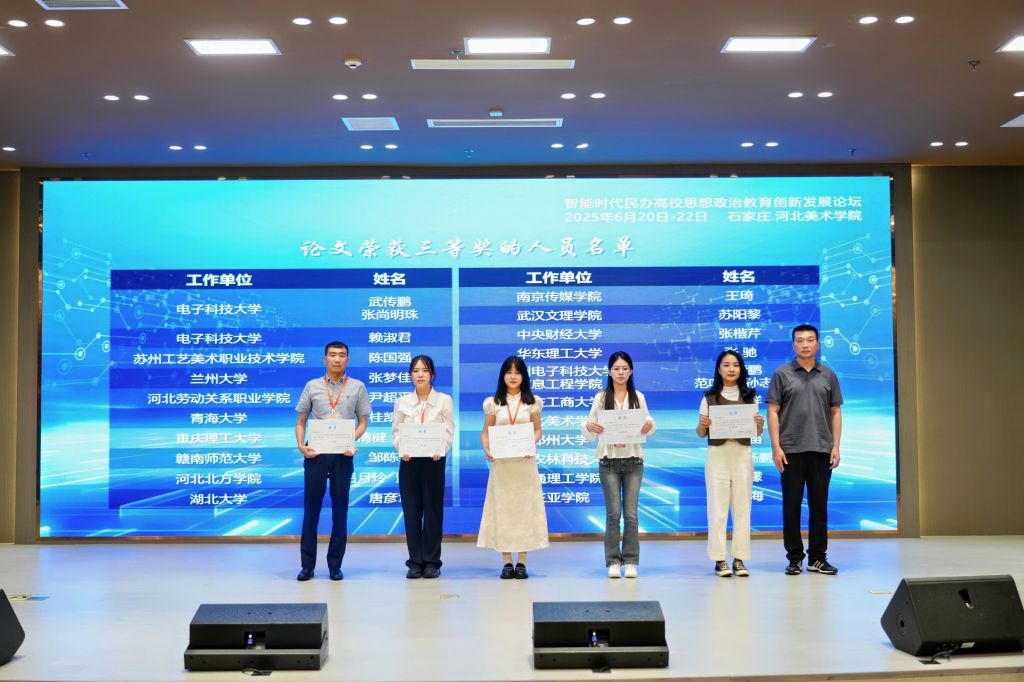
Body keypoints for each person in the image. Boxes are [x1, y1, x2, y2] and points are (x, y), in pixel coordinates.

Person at [766, 324, 843, 576]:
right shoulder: (782, 374)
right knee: (791, 507)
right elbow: (772, 411)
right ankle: (795, 558)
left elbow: (835, 412)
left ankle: (817, 558)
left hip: (822, 449)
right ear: (793, 345)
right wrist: (776, 447)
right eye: (800, 340)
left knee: (819, 507)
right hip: (791, 451)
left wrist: (836, 446)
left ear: (817, 344)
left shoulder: (828, 375)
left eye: (810, 340)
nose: (805, 344)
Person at [294, 341, 371, 581]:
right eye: (333, 355)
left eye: (342, 355)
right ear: (325, 359)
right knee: (311, 511)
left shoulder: (357, 386)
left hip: (342, 456)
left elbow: (363, 422)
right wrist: (301, 446)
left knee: (340, 511)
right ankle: (307, 566)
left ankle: (335, 566)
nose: (337, 359)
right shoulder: (312, 386)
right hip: (316, 455)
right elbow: (301, 421)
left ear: (348, 359)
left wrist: (351, 440)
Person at [582, 351, 655, 578]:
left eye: (624, 368)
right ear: (609, 371)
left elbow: (649, 424)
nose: (620, 372)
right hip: (609, 462)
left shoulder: (638, 397)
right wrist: (590, 427)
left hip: (634, 461)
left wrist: (649, 425)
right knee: (613, 514)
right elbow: (588, 429)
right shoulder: (601, 397)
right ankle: (613, 561)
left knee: (631, 514)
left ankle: (631, 561)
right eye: (616, 369)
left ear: (631, 371)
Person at [477, 355, 547, 579]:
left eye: (517, 372)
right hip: (502, 466)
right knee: (504, 511)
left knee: (525, 511)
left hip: (524, 465)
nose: (513, 376)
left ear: (524, 376)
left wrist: (530, 443)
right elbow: (485, 433)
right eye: (509, 372)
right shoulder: (493, 403)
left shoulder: (532, 402)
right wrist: (487, 449)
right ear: (503, 376)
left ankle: (522, 562)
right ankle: (507, 561)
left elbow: (537, 430)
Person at [696, 350, 764, 577]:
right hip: (718, 454)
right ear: (719, 369)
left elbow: (756, 432)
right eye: (726, 365)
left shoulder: (750, 396)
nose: (731, 369)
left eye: (735, 365)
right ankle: (719, 559)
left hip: (742, 454)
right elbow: (700, 433)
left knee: (743, 507)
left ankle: (739, 559)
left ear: (741, 369)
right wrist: (704, 424)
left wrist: (759, 424)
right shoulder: (709, 397)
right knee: (717, 508)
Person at [391, 355, 455, 579]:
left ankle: (432, 562)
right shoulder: (402, 402)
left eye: (425, 370)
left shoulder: (444, 400)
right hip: (409, 462)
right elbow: (396, 431)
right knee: (411, 512)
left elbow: (449, 430)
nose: (420, 374)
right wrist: (402, 448)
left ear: (432, 375)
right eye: (416, 370)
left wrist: (441, 448)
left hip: (434, 462)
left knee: (433, 512)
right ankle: (415, 562)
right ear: (411, 375)